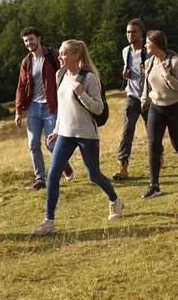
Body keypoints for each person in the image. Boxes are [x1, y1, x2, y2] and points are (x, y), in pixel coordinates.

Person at [32, 40, 124, 236]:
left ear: (76, 56)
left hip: (86, 134)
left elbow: (98, 108)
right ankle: (49, 222)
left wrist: (82, 94)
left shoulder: (88, 78)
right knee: (53, 175)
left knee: (94, 175)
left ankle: (115, 200)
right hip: (65, 133)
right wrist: (56, 129)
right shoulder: (60, 75)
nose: (59, 57)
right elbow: (61, 107)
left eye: (64, 54)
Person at [15, 26, 74, 191]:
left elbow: (67, 73)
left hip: (51, 107)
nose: (29, 43)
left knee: (52, 145)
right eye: (26, 41)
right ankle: (40, 180)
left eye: (31, 39)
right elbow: (21, 86)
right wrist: (18, 111)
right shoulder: (26, 62)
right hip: (33, 108)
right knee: (33, 144)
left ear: (38, 39)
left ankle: (65, 165)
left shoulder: (53, 55)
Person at [140, 30, 178, 198]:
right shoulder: (149, 62)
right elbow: (147, 84)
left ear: (155, 44)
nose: (145, 45)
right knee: (153, 145)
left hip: (174, 109)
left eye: (147, 42)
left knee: (177, 144)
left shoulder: (175, 62)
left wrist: (167, 76)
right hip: (156, 108)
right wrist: (144, 100)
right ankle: (154, 185)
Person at [113, 19, 163, 180]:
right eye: (128, 32)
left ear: (141, 33)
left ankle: (158, 154)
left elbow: (160, 69)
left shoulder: (149, 51)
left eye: (134, 32)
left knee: (152, 132)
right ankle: (123, 165)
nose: (130, 35)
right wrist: (125, 73)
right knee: (127, 131)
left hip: (150, 98)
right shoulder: (125, 51)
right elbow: (127, 68)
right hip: (132, 96)